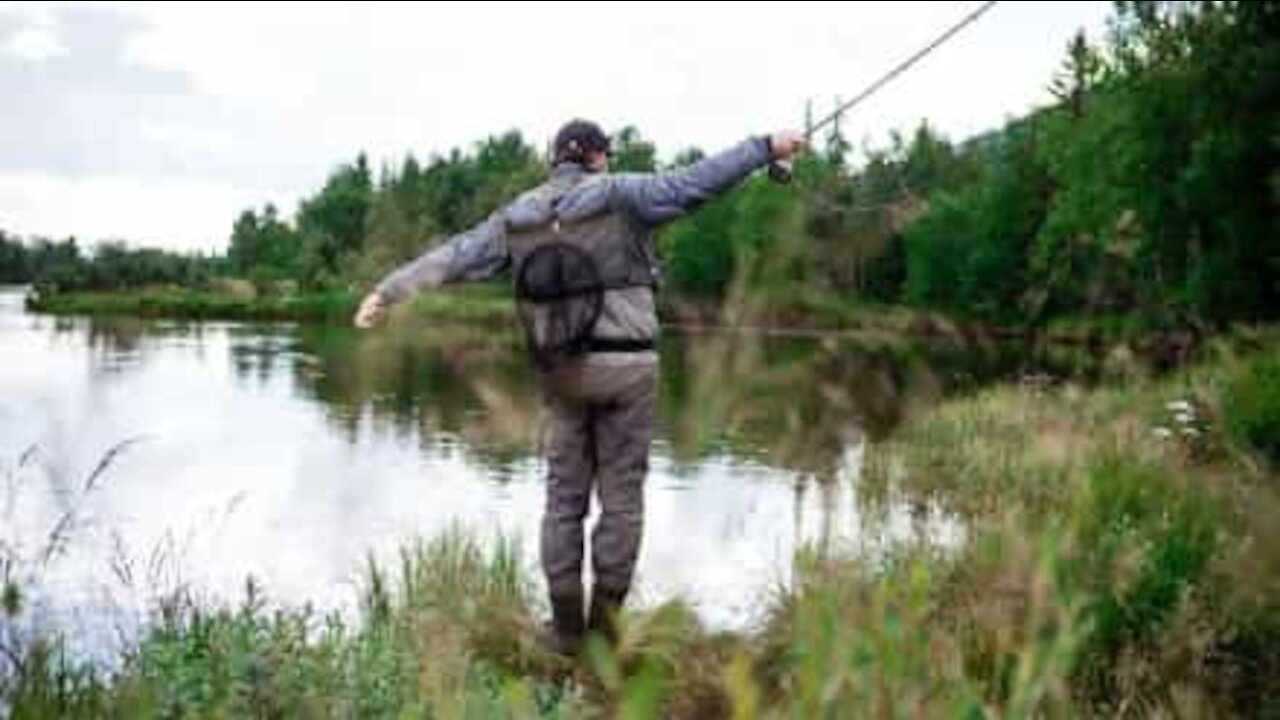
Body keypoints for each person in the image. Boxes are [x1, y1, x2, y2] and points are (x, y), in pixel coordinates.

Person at [354, 119, 805, 653]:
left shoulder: (516, 217)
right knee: (621, 502)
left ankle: (564, 633)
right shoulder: (621, 195)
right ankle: (604, 637)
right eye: (606, 157)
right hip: (629, 370)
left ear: (555, 160)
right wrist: (764, 148)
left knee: (563, 502)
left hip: (562, 374)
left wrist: (386, 292)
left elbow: (452, 256)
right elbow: (696, 183)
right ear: (596, 157)